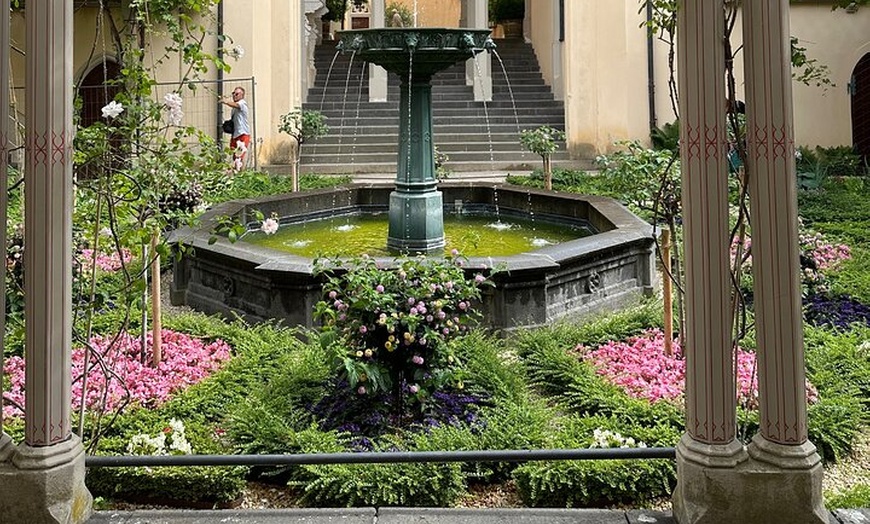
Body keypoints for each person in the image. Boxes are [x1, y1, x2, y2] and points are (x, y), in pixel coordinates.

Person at [221, 86, 250, 169]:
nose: (234, 95)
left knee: (239, 157)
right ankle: (237, 174)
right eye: (233, 93)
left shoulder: (242, 103)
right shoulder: (234, 108)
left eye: (236, 94)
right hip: (235, 135)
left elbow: (236, 105)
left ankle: (240, 175)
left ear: (242, 95)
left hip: (242, 134)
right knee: (235, 158)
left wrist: (226, 101)